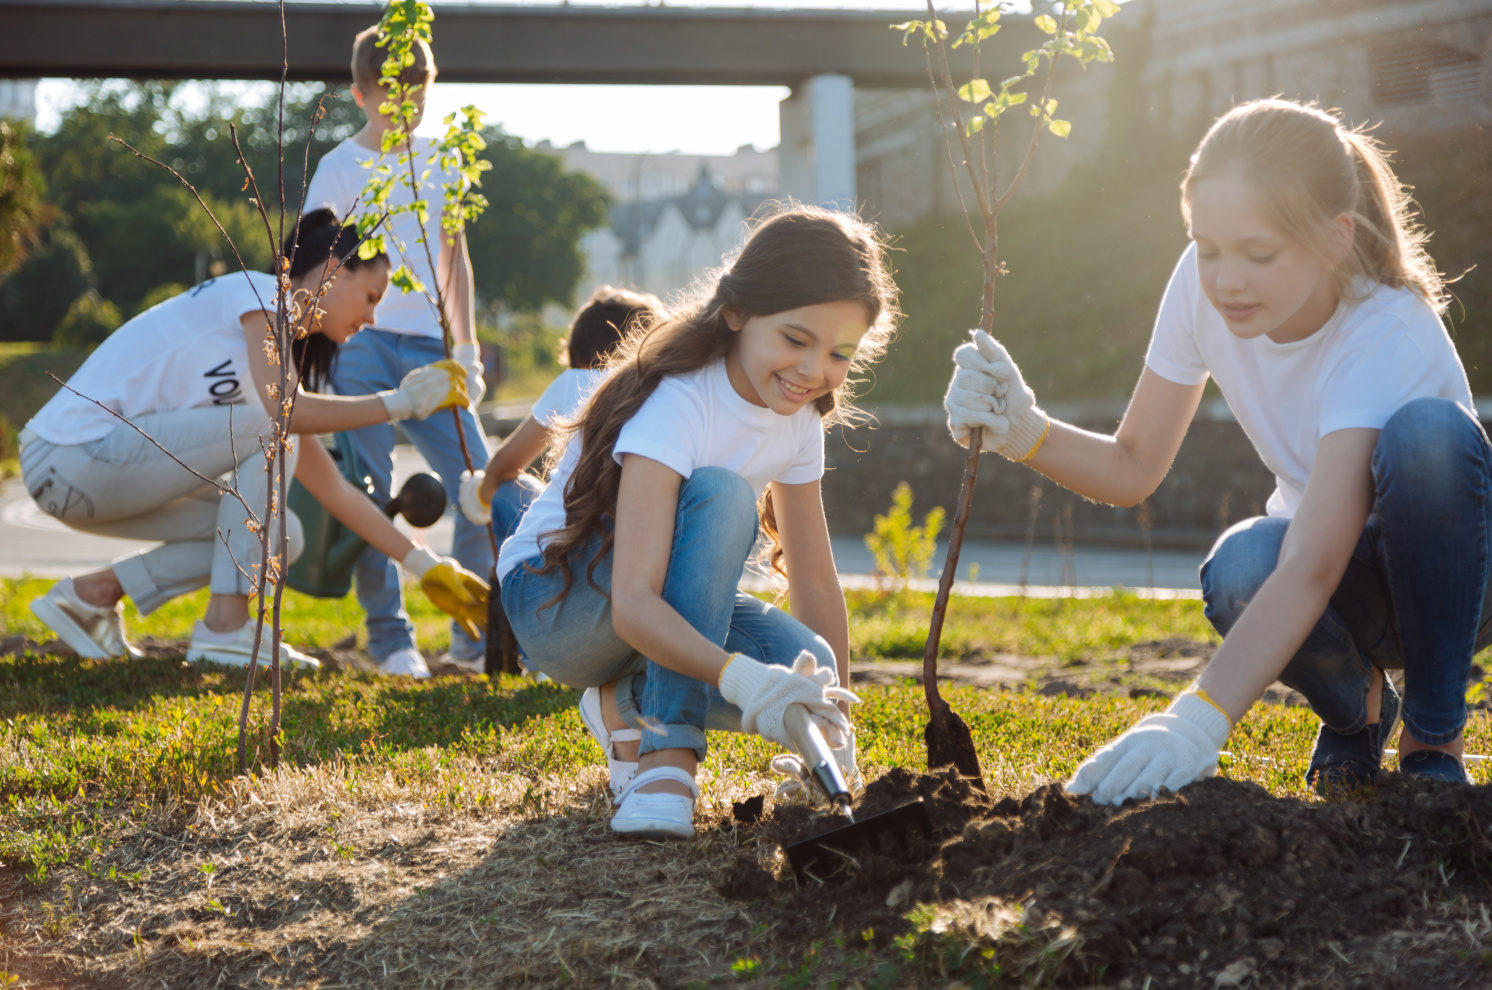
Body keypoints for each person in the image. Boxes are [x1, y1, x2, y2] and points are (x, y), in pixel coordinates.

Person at [942, 99, 1477, 803]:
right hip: (1344, 581)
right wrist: (1023, 430)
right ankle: (1358, 717)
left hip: (1461, 577)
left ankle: (1434, 734)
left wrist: (1199, 716)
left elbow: (1316, 563)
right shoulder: (1202, 289)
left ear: (1336, 238)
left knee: (1428, 439)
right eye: (1208, 247)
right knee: (1241, 566)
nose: (1226, 279)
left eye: (1259, 254)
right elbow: (1132, 466)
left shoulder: (1385, 330)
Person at [496, 206, 896, 838]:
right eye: (795, 339)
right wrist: (742, 679)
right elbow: (632, 603)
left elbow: (815, 584)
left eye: (839, 353)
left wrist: (834, 728)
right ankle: (666, 761)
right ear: (736, 313)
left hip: (643, 601)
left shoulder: (799, 419)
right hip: (557, 602)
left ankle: (620, 703)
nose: (814, 371)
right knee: (722, 494)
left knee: (806, 663)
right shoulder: (679, 399)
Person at [22, 210, 488, 670]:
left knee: (283, 534)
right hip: (68, 457)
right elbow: (286, 415)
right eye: (370, 296)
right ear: (332, 270)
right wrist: (401, 403)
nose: (371, 318)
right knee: (275, 426)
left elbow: (334, 491)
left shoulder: (270, 364)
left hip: (96, 476)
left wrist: (425, 565)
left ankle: (90, 596)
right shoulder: (260, 294)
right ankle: (225, 629)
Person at [303, 22, 490, 679]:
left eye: (417, 90)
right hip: (361, 344)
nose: (404, 103)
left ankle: (472, 637)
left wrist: (465, 350)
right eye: (389, 92)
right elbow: (314, 266)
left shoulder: (446, 158)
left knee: (478, 485)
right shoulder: (338, 168)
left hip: (432, 347)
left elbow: (454, 256)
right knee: (371, 489)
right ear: (359, 94)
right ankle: (391, 640)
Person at [456, 286, 663, 566]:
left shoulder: (576, 381)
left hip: (579, 548)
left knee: (506, 490)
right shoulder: (662, 389)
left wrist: (478, 496)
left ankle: (505, 589)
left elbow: (506, 465)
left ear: (578, 356)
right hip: (647, 546)